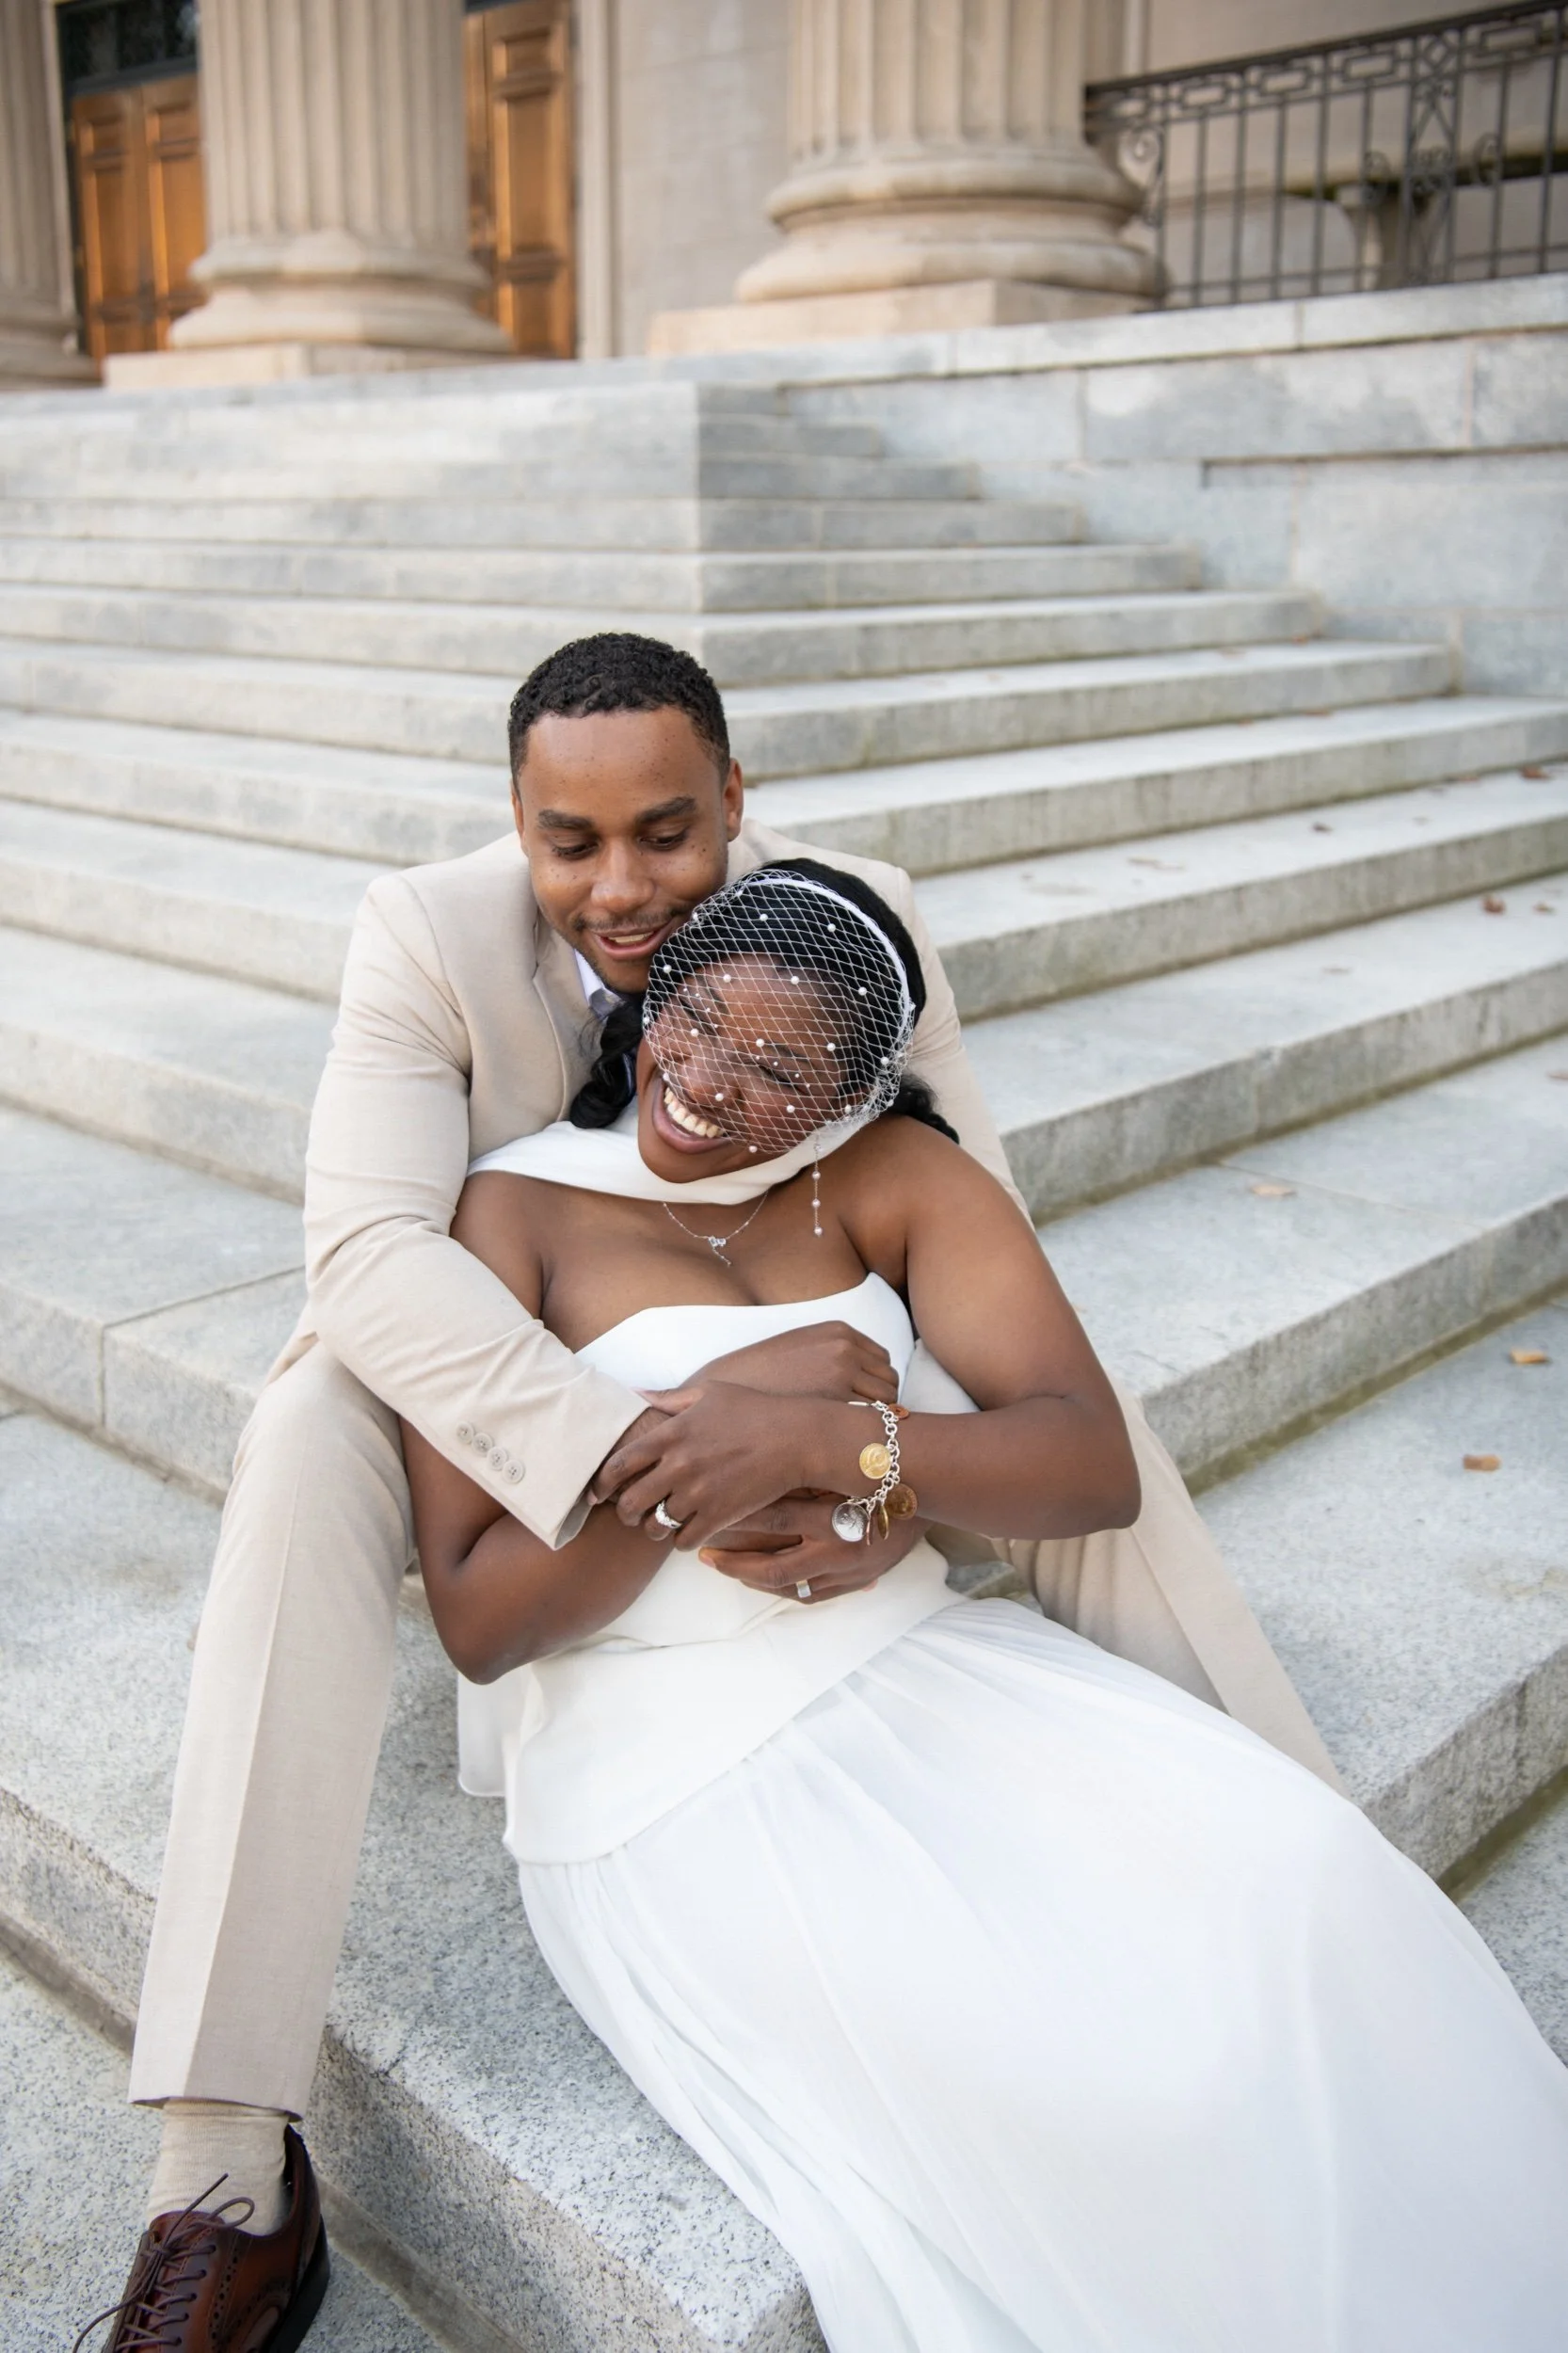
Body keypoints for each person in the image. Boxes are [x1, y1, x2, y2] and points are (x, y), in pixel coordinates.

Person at [88, 634, 1330, 2352]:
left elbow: (961, 1194)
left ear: (736, 804)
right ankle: (222, 2159)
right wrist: (685, 1435)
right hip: (495, 1333)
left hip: (789, 1329)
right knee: (300, 1431)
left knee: (1055, 1388)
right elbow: (372, 1256)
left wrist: (878, 1460)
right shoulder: (425, 936)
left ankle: (1271, 1784)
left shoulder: (850, 920)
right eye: (568, 844)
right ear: (517, 827)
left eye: (666, 835)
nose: (620, 889)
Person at [407, 859, 1568, 2353]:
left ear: (850, 1088)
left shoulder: (890, 1178)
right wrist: (741, 1411)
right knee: (1106, 2079)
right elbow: (480, 1614)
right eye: (691, 1021)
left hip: (927, 1667)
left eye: (777, 1069)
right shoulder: (513, 1210)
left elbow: (1086, 1464)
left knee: (1308, 1890)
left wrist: (854, 1451)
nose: (700, 1086)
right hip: (674, 1770)